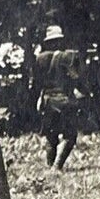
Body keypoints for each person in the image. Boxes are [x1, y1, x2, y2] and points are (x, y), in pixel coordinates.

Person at [34, 24, 82, 170]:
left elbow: (36, 83)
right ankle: (57, 166)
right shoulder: (68, 56)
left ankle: (50, 166)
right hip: (65, 100)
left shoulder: (40, 59)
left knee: (51, 135)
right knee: (70, 135)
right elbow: (77, 78)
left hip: (48, 100)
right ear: (60, 41)